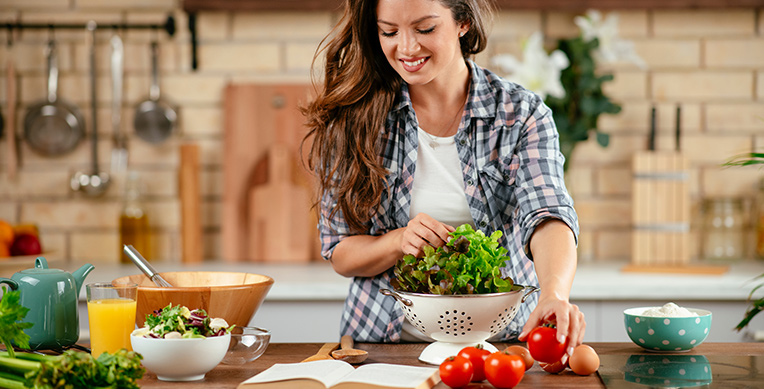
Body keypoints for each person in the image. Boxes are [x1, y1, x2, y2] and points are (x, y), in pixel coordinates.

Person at [302, 0, 585, 357]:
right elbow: (340, 250)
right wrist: (399, 241)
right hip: (381, 347)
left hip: (501, 348)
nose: (406, 48)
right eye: (389, 31)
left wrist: (554, 294)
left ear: (463, 22)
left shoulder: (520, 114)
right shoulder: (353, 118)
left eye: (425, 29)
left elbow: (547, 214)